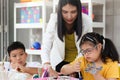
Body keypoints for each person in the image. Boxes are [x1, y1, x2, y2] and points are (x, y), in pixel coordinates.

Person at [41, 0, 92, 76]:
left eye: (73, 12)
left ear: (78, 10)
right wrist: (46, 63)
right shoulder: (54, 19)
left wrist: (74, 66)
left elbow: (88, 47)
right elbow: (46, 43)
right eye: (65, 12)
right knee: (63, 71)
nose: (69, 16)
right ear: (60, 11)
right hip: (60, 62)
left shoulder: (86, 20)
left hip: (79, 61)